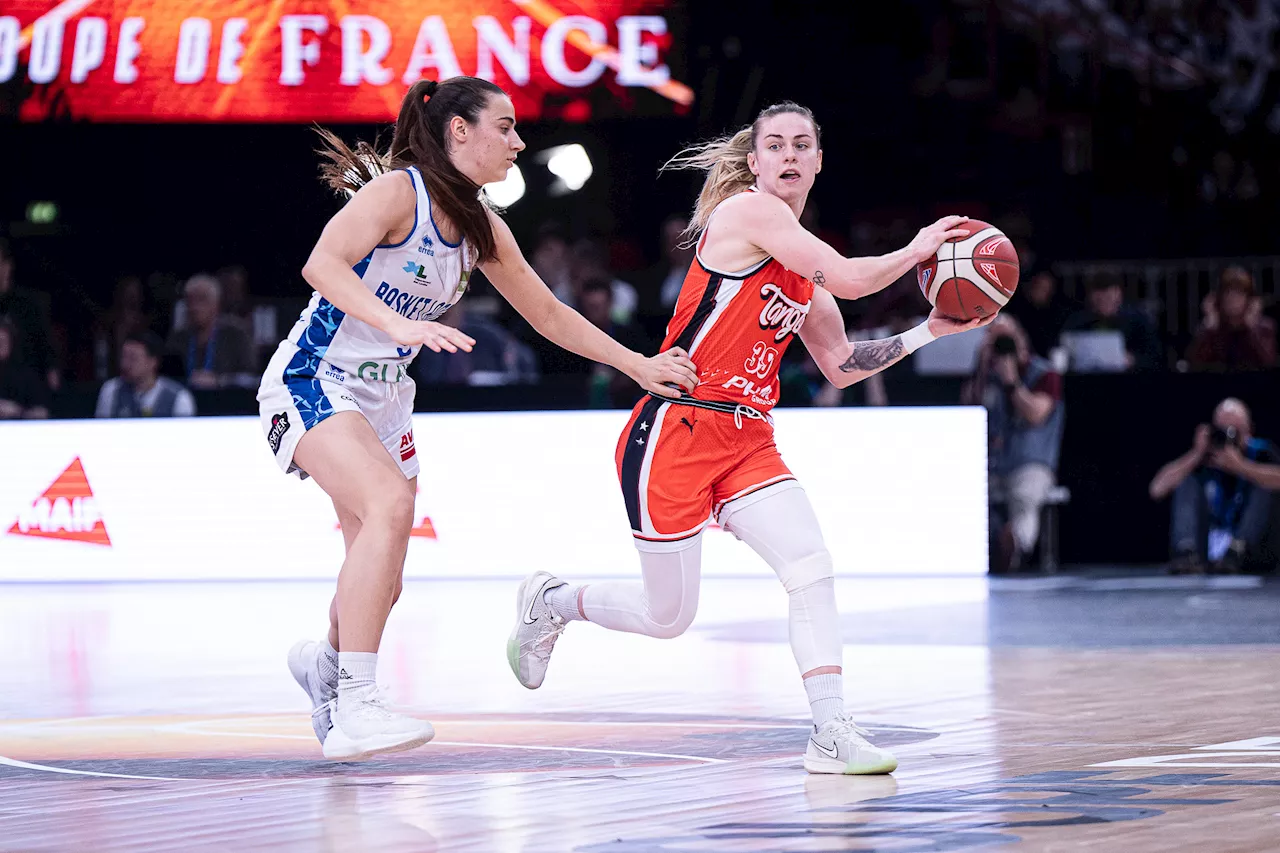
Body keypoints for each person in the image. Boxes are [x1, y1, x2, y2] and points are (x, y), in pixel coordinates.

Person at [506, 101, 992, 776]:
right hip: (677, 428)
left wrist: (931, 331)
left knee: (811, 567)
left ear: (819, 160)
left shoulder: (800, 267)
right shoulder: (746, 213)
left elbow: (842, 366)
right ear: (756, 162)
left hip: (747, 439)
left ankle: (830, 730)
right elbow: (852, 279)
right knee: (668, 615)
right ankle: (551, 600)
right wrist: (917, 250)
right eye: (777, 146)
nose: (790, 156)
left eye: (803, 145)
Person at [260, 76, 698, 762]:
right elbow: (322, 264)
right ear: (459, 130)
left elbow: (549, 314)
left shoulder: (483, 227)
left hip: (382, 398)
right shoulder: (398, 193)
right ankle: (355, 705)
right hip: (315, 377)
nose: (519, 141)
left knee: (382, 572)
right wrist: (396, 322)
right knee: (389, 503)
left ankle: (325, 664)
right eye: (506, 126)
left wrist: (637, 363)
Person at [961, 315, 1065, 573]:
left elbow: (1035, 414)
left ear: (1022, 340)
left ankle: (1015, 548)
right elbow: (967, 408)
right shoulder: (986, 375)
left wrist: (1012, 381)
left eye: (1007, 339)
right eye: (996, 340)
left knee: (1025, 496)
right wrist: (982, 365)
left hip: (1031, 463)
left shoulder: (1045, 373)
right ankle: (985, 550)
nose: (1003, 347)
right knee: (966, 493)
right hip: (993, 464)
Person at [1149, 398, 1277, 574]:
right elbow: (1157, 489)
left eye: (1235, 431)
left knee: (1266, 481)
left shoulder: (1261, 452)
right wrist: (1196, 454)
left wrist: (1241, 467)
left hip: (1249, 549)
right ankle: (1187, 554)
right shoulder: (1203, 460)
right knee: (1186, 480)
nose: (1228, 437)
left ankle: (1237, 552)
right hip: (1207, 545)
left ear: (1249, 431)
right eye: (1222, 431)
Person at [1185, 266, 1277, 371]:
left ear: (1249, 299)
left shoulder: (1264, 327)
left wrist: (1251, 327)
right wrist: (1209, 328)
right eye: (1227, 293)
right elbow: (1194, 364)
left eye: (1239, 293)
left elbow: (1268, 364)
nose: (1233, 299)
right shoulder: (1211, 328)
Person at [95, 331, 197, 418]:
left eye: (133, 358)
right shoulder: (111, 390)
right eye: (123, 357)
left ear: (153, 362)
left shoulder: (179, 397)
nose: (125, 364)